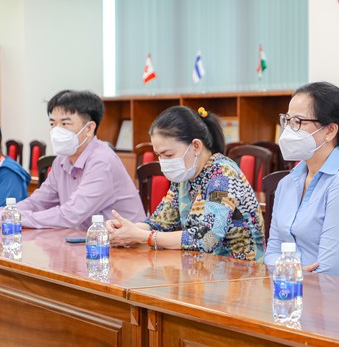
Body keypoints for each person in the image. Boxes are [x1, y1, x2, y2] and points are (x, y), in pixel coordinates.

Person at [105, 105, 265, 261]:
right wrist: (125, 230)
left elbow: (207, 238)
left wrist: (143, 236)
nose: (163, 162)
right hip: (203, 267)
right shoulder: (185, 176)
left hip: (241, 271)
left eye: (168, 155)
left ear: (196, 146)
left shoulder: (222, 174)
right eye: (158, 155)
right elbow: (160, 223)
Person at [0, 89, 146, 229]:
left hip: (124, 249)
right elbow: (39, 201)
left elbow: (70, 214)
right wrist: (2, 213)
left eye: (65, 124)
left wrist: (7, 218)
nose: (57, 131)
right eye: (52, 124)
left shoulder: (102, 161)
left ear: (89, 128)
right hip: (85, 242)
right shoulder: (62, 160)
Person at [264, 82, 339, 282]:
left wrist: (288, 270)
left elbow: (332, 271)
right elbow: (272, 253)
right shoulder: (287, 183)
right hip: (295, 290)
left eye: (298, 122)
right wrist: (295, 271)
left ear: (330, 131)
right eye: (287, 120)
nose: (289, 129)